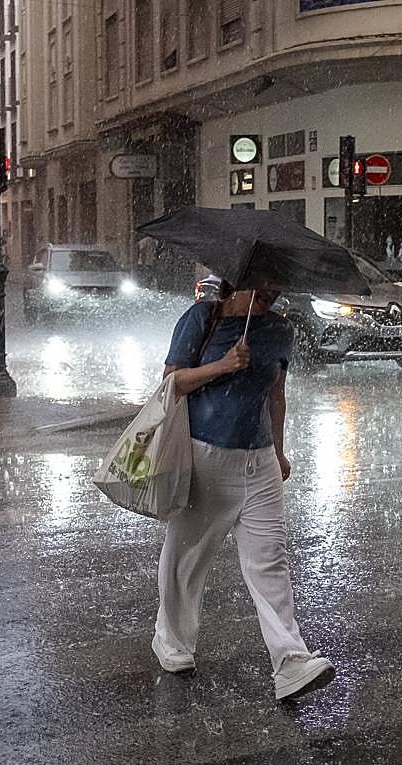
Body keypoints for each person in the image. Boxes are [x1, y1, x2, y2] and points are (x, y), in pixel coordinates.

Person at [153, 272, 335, 701]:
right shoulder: (202, 318)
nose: (273, 293)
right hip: (206, 455)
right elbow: (170, 384)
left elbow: (276, 394)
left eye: (277, 287)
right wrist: (223, 365)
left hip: (261, 460)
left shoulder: (279, 329)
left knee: (270, 561)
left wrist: (280, 449)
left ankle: (291, 662)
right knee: (186, 557)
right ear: (237, 284)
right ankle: (172, 641)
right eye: (264, 285)